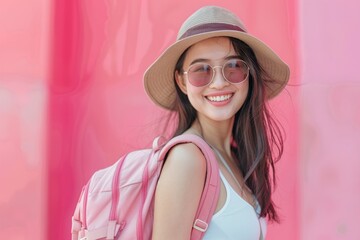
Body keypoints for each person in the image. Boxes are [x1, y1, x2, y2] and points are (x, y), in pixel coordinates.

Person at [143, 5, 290, 240]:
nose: (219, 83)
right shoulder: (187, 159)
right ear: (182, 82)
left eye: (233, 67)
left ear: (249, 74)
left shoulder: (233, 155)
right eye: (201, 70)